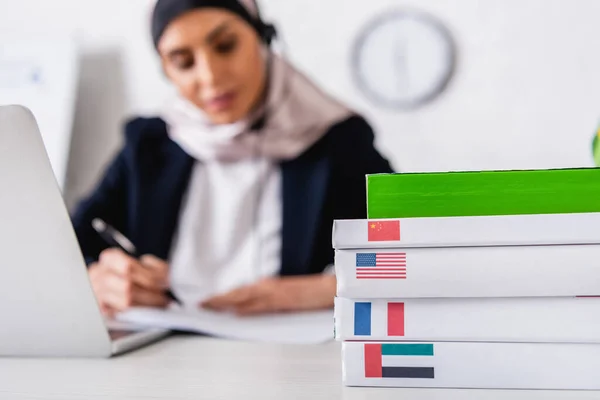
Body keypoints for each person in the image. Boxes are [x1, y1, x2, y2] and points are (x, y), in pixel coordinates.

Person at [72, 0, 393, 317]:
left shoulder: (336, 140)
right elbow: (67, 249)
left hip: (287, 357)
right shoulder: (147, 144)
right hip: (163, 356)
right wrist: (96, 278)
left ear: (262, 40)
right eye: (184, 62)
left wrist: (322, 288)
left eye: (226, 46)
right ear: (166, 72)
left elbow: (407, 259)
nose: (210, 77)